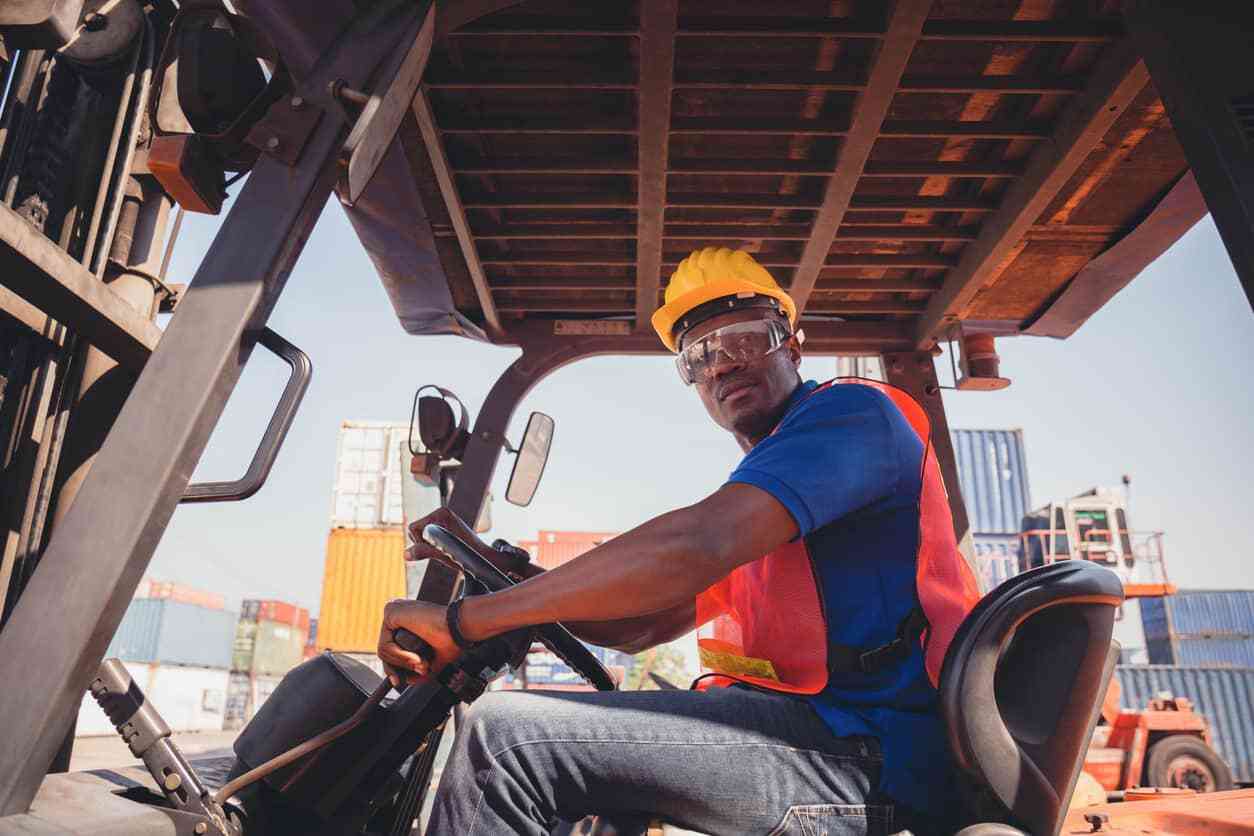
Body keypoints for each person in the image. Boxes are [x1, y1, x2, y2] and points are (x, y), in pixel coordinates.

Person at [379, 248, 981, 835]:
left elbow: (698, 543)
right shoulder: (773, 499)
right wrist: (512, 576)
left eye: (745, 339)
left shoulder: (853, 417)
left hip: (867, 757)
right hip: (814, 738)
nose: (721, 364)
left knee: (506, 743)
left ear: (791, 344)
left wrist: (467, 622)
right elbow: (641, 625)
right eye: (700, 355)